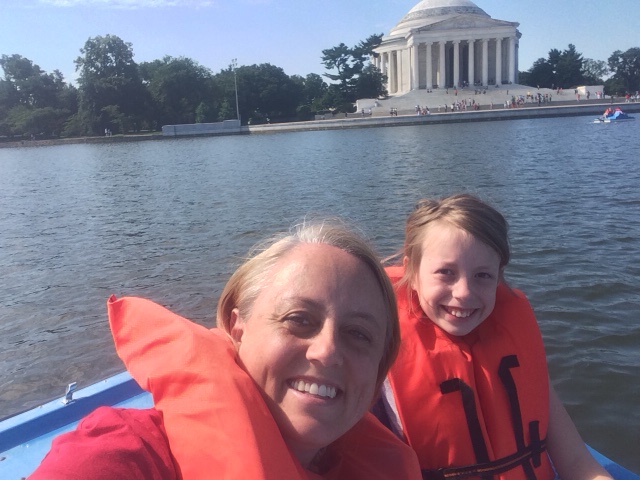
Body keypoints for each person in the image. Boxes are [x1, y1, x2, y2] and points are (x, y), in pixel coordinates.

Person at [29, 220, 421, 480]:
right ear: (238, 328)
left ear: (378, 373)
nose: (328, 351)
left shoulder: (374, 465)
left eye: (359, 334)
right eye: (299, 319)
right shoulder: (127, 453)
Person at [375, 194, 613, 480]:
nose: (464, 292)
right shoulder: (378, 365)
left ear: (498, 277)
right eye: (446, 272)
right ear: (413, 273)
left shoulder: (519, 355)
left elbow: (576, 463)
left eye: (482, 275)